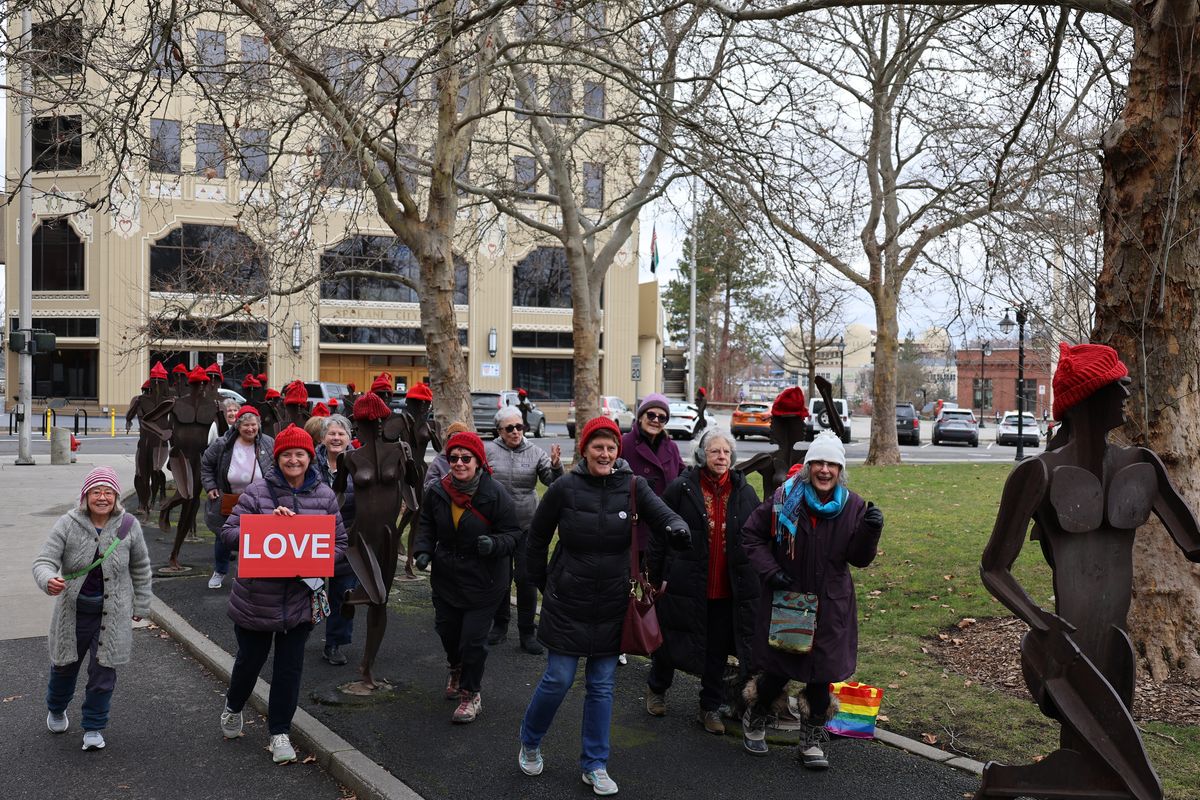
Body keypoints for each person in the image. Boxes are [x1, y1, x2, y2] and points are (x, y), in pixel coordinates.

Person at [977, 343, 1200, 800]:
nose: (1126, 389)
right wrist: (1041, 622)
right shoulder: (1038, 473)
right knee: (1136, 787)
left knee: (1113, 771)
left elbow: (1194, 544)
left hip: (1114, 643)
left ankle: (1005, 781)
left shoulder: (1141, 466)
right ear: (1085, 397)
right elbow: (994, 567)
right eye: (1114, 383)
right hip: (1064, 647)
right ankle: (1007, 781)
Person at [519, 417, 689, 795]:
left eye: (611, 447)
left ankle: (594, 764)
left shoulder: (632, 487)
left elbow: (663, 514)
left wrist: (677, 527)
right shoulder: (564, 488)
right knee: (558, 678)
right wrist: (542, 582)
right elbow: (536, 539)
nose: (605, 453)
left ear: (618, 451)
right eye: (598, 446)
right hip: (568, 600)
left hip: (613, 603)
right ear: (585, 449)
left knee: (601, 686)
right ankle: (530, 740)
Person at [739, 431, 884, 769]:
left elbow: (859, 559)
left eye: (831, 464)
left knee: (821, 675)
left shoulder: (854, 506)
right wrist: (770, 571)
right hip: (788, 600)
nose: (823, 470)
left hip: (831, 607)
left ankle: (811, 739)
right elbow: (751, 535)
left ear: (840, 470)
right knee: (776, 671)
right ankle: (756, 716)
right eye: (817, 462)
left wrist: (870, 531)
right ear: (807, 467)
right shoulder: (783, 498)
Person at [218, 424, 348, 764]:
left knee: (289, 670)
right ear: (278, 458)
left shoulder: (324, 496)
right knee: (250, 663)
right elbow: (228, 533)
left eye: (300, 454)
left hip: (300, 602)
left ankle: (280, 733)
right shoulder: (257, 492)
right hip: (256, 600)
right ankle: (233, 705)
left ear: (309, 458)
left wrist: (316, 561)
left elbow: (340, 544)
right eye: (287, 454)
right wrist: (262, 527)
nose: (294, 460)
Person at [646, 428, 761, 735]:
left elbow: (757, 536)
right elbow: (660, 532)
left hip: (726, 589)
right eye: (714, 451)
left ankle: (709, 707)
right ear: (702, 455)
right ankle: (657, 688)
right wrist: (654, 576)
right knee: (671, 640)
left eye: (726, 452)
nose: (721, 457)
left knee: (717, 650)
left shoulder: (745, 492)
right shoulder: (682, 488)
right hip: (686, 584)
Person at [32, 467, 153, 752]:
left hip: (112, 615)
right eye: (96, 491)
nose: (102, 497)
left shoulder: (128, 525)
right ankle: (57, 707)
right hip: (72, 614)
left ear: (116, 496)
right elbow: (43, 562)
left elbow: (141, 567)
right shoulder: (68, 523)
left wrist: (142, 604)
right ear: (86, 496)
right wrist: (49, 579)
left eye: (108, 492)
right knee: (64, 669)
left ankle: (94, 727)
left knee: (104, 675)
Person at [413, 431, 522, 723]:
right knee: (448, 631)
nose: (459, 463)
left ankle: (470, 694)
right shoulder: (438, 491)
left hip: (484, 580)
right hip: (447, 577)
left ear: (478, 461)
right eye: (453, 458)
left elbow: (513, 533)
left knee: (473, 640)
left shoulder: (494, 493)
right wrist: (423, 550)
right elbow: (426, 525)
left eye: (465, 458)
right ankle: (456, 668)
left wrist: (494, 544)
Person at [484, 405, 563, 654]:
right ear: (499, 431)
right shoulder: (488, 451)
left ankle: (527, 632)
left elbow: (554, 482)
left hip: (527, 526)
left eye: (520, 427)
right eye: (510, 428)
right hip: (497, 528)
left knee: (526, 580)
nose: (516, 431)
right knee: (500, 579)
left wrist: (556, 465)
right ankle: (500, 625)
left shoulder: (535, 452)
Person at [619, 393, 684, 665]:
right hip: (631, 528)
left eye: (662, 417)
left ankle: (652, 637)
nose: (656, 420)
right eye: (651, 415)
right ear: (641, 416)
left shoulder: (671, 448)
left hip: (662, 529)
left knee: (656, 587)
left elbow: (681, 477)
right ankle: (619, 640)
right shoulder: (624, 444)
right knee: (623, 586)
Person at [201, 405, 275, 590]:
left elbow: (276, 468)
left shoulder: (268, 443)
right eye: (246, 425)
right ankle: (220, 571)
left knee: (255, 539)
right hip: (229, 499)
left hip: (259, 501)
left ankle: (248, 573)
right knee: (224, 537)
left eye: (253, 425)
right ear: (237, 426)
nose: (250, 429)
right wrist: (210, 486)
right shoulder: (222, 444)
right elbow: (206, 465)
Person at [315, 413, 357, 666]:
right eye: (331, 433)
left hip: (347, 536)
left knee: (343, 592)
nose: (336, 438)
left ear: (349, 438)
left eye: (341, 434)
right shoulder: (309, 461)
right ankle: (301, 633)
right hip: (314, 536)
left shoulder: (359, 464)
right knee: (311, 590)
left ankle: (335, 643)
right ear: (322, 437)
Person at [422, 421, 471, 492]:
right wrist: (446, 482)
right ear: (448, 439)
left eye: (461, 436)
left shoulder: (472, 458)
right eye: (454, 436)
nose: (457, 440)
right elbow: (428, 486)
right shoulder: (439, 461)